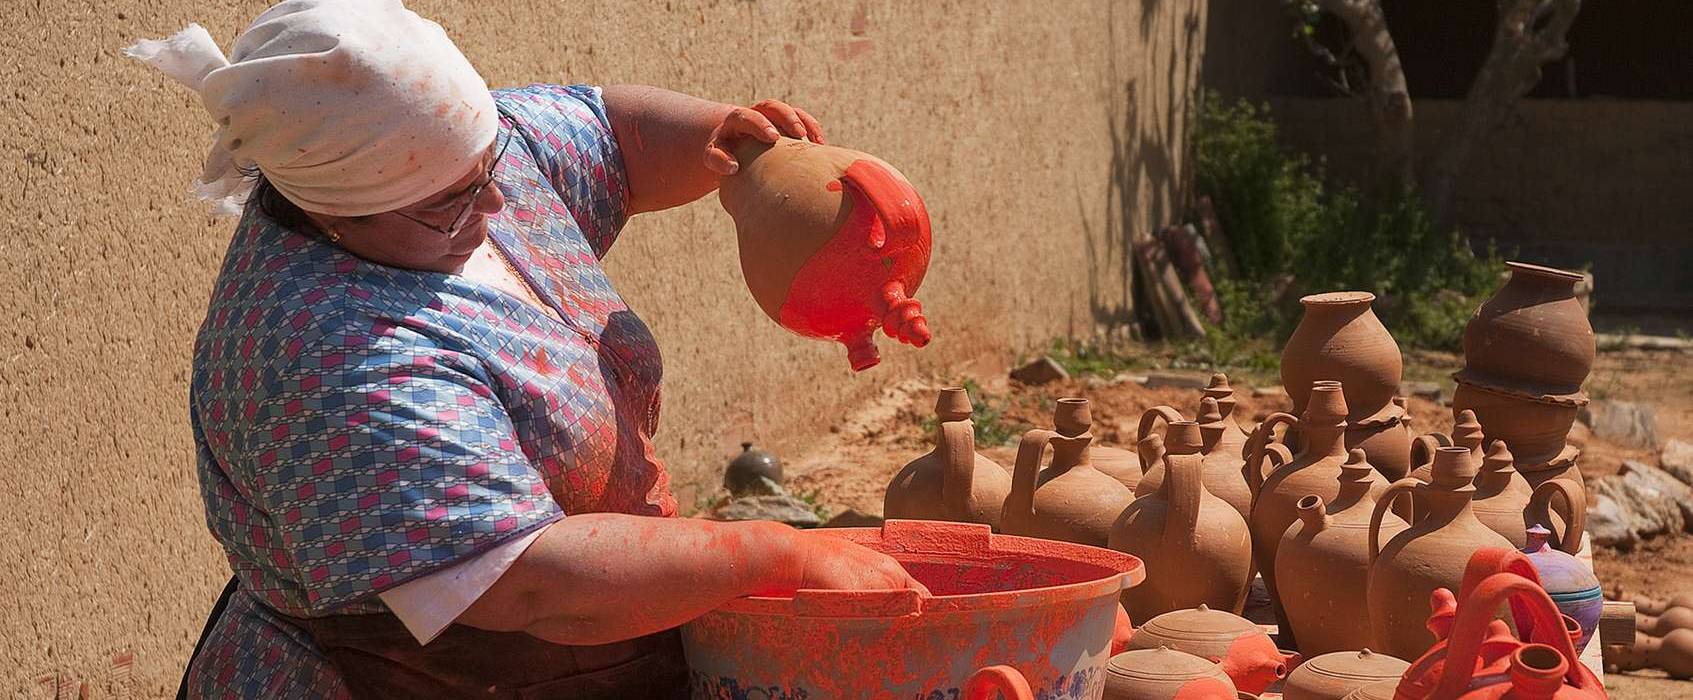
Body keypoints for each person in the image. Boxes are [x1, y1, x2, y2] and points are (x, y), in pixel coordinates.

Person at [126, 1, 926, 697]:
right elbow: (527, 584)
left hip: (580, 644)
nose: (496, 202)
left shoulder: (454, 159)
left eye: (489, 165)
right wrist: (772, 555)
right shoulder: (331, 355)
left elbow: (618, 138)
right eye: (451, 201)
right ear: (333, 212)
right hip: (420, 672)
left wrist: (739, 151)